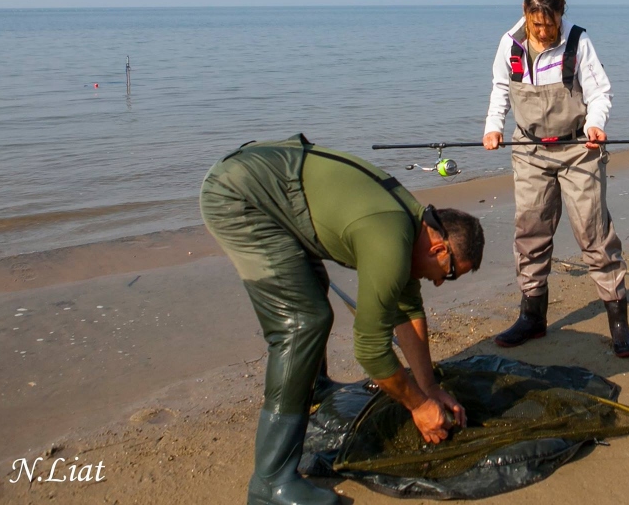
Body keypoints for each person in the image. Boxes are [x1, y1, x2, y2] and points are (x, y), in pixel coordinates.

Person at [200, 134, 485, 505]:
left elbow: (409, 311)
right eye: (448, 273)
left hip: (273, 185)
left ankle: (312, 390)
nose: (437, 282)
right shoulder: (390, 242)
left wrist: (428, 387)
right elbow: (369, 349)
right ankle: (270, 482)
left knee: (313, 295)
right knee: (302, 322)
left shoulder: (411, 224)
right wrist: (418, 406)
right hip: (240, 196)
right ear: (437, 247)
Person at [482, 0, 629, 359]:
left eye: (549, 24)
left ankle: (619, 325)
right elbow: (501, 89)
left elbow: (600, 92)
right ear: (525, 13)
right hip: (529, 149)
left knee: (594, 233)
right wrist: (492, 128)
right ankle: (532, 316)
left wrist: (595, 124)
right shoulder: (509, 43)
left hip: (577, 148)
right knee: (531, 231)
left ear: (560, 14)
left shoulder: (578, 41)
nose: (542, 32)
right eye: (536, 24)